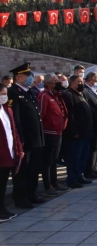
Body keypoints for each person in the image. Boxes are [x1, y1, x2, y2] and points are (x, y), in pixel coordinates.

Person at [8, 62, 45, 208]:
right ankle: (21, 198)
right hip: (25, 139)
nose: (31, 77)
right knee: (23, 170)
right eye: (28, 75)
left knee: (34, 168)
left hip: (35, 138)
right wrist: (20, 139)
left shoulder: (28, 91)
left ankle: (31, 193)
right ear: (18, 77)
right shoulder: (13, 92)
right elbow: (15, 118)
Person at [38, 74, 69, 196]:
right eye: (56, 82)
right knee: (48, 160)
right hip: (49, 132)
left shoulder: (56, 95)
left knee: (54, 159)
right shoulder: (44, 95)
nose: (59, 83)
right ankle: (48, 185)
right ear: (49, 83)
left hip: (58, 131)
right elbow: (41, 114)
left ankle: (54, 182)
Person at [61, 75, 95, 188]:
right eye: (79, 82)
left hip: (86, 132)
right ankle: (72, 178)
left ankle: (80, 175)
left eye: (82, 82)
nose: (82, 84)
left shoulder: (81, 93)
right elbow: (70, 114)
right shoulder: (68, 94)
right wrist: (74, 130)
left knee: (83, 156)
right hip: (76, 133)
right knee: (74, 157)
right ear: (72, 83)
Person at [0, 83, 24, 222]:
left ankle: (2, 208)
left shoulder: (7, 110)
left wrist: (18, 148)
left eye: (5, 94)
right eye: (2, 94)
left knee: (3, 183)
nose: (4, 97)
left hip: (9, 153)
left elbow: (13, 131)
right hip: (1, 154)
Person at [81, 72, 97, 180]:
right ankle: (88, 170)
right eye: (96, 81)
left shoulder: (94, 90)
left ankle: (94, 167)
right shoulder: (85, 91)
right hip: (93, 125)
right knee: (91, 149)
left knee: (96, 147)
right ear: (89, 80)